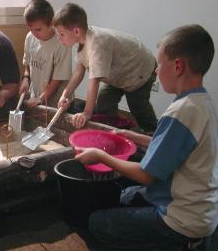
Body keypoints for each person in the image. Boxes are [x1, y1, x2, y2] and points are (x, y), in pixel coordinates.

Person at [75, 24, 217, 250]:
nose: (157, 71)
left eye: (160, 64)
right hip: (204, 211)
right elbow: (171, 148)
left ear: (178, 66)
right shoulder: (203, 103)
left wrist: (101, 155)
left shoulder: (181, 112)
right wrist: (130, 134)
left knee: (97, 223)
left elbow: (146, 175)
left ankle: (179, 245)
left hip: (181, 220)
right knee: (125, 196)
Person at [53, 3, 158, 132]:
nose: (58, 38)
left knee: (138, 107)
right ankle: (113, 130)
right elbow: (78, 73)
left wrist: (86, 113)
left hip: (139, 70)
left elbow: (94, 81)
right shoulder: (81, 42)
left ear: (76, 31)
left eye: (61, 34)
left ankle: (154, 134)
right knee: (104, 100)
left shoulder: (97, 43)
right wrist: (65, 94)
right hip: (120, 73)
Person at [19, 0, 72, 109]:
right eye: (30, 28)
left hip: (57, 103)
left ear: (51, 23)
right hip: (37, 98)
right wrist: (25, 78)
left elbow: (57, 79)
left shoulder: (62, 42)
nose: (33, 33)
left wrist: (41, 98)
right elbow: (27, 63)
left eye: (38, 29)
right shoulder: (30, 37)